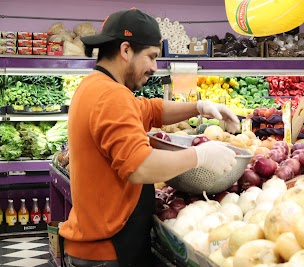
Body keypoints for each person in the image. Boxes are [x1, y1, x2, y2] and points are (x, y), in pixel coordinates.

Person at [59, 8, 240, 267]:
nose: (155, 67)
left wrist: (199, 106)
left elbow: (151, 109)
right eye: (152, 57)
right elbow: (139, 166)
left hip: (97, 244)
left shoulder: (95, 86)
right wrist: (200, 156)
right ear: (125, 50)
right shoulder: (111, 96)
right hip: (109, 250)